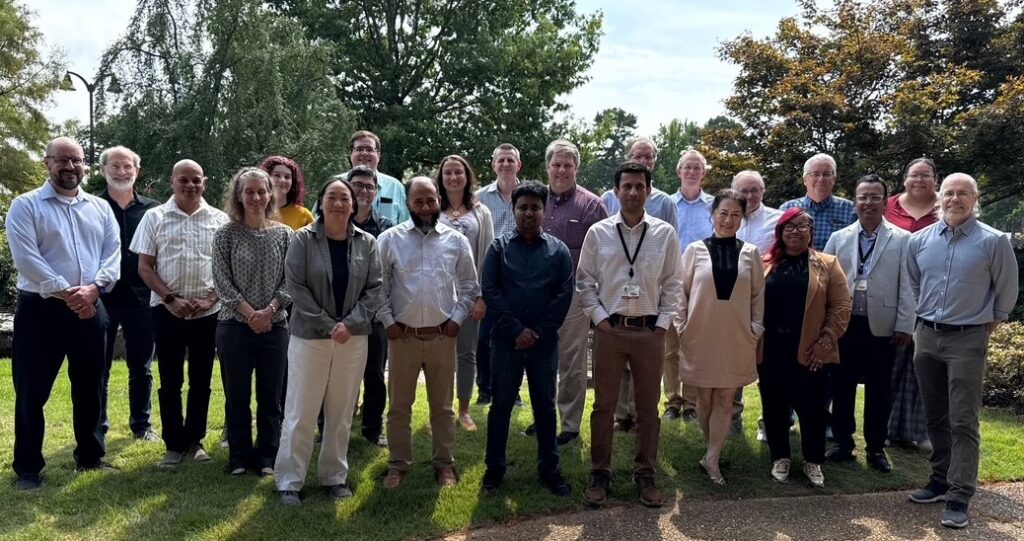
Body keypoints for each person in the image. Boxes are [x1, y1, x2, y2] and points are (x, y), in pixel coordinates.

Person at [6, 137, 121, 490]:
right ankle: (28, 468)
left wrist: (94, 289)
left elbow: (112, 253)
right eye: (62, 160)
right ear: (47, 162)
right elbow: (26, 259)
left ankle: (90, 457)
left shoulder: (100, 208)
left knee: (90, 386)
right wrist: (67, 291)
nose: (70, 167)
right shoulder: (25, 206)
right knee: (32, 390)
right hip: (41, 309)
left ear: (84, 164)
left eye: (77, 160)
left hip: (91, 304)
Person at [905, 173, 1018, 529]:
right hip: (926, 335)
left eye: (962, 193)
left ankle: (959, 494)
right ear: (939, 199)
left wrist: (987, 324)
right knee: (935, 414)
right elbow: (912, 282)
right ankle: (939, 480)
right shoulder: (919, 240)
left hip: (968, 338)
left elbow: (1006, 292)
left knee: (963, 419)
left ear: (975, 198)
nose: (955, 199)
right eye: (949, 193)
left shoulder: (994, 241)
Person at [577, 161, 683, 508]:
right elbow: (585, 282)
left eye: (640, 186)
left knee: (648, 409)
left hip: (649, 332)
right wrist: (600, 319)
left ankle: (646, 474)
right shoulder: (599, 232)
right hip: (610, 331)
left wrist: (662, 324)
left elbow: (673, 283)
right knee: (604, 406)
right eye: (627, 186)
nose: (634, 192)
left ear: (648, 190)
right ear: (616, 191)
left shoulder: (664, 233)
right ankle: (600, 473)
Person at [275, 176, 384, 506]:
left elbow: (376, 288)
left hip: (352, 339)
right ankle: (290, 481)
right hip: (310, 337)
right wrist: (327, 324)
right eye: (332, 197)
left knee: (341, 413)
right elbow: (296, 287)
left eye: (345, 198)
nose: (339, 203)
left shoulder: (367, 243)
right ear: (320, 202)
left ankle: (334, 477)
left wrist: (349, 324)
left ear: (353, 205)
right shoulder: (302, 240)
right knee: (301, 412)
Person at [377, 176, 478, 489]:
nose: (425, 207)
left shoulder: (455, 240)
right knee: (398, 408)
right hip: (402, 337)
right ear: (408, 203)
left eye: (430, 200)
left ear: (439, 200)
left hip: (441, 337)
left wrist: (457, 319)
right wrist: (388, 322)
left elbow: (469, 285)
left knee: (443, 408)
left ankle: (444, 465)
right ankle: (397, 465)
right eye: (418, 201)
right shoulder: (390, 240)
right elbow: (378, 286)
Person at [132, 159, 230, 467]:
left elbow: (226, 269)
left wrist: (211, 298)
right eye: (183, 180)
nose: (190, 186)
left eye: (196, 180)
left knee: (201, 379)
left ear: (205, 183)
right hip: (167, 311)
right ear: (173, 182)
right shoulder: (155, 217)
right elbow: (145, 268)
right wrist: (171, 298)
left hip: (208, 312)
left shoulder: (220, 220)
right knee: (170, 379)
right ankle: (173, 444)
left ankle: (195, 440)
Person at [480, 181, 574, 496]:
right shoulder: (498, 248)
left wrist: (539, 332)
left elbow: (564, 294)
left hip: (544, 343)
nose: (529, 213)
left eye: (535, 207)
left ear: (544, 211)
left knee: (545, 407)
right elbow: (491, 291)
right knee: (501, 405)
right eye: (523, 207)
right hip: (507, 340)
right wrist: (517, 330)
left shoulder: (558, 251)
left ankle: (550, 468)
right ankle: (494, 470)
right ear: (514, 210)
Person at [822, 175, 914, 473]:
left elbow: (909, 286)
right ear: (854, 202)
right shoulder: (840, 237)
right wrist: (827, 324)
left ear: (885, 201)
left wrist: (904, 324)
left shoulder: (902, 240)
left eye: (875, 197)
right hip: (845, 325)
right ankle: (843, 443)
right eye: (863, 197)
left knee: (880, 389)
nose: (868, 203)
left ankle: (876, 448)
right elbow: (827, 284)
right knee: (842, 386)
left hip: (883, 327)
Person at [677, 189, 765, 485]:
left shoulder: (751, 253)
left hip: (736, 335)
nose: (728, 220)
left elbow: (757, 298)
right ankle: (711, 448)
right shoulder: (693, 250)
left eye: (735, 214)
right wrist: (682, 327)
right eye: (723, 213)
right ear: (712, 215)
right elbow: (681, 293)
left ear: (743, 218)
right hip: (700, 334)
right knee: (704, 396)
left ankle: (712, 457)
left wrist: (756, 329)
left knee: (726, 397)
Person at [758, 208, 850, 488]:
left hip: (811, 350)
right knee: (774, 407)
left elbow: (841, 307)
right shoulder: (765, 263)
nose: (795, 231)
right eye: (789, 227)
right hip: (773, 349)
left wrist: (825, 342)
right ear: (780, 232)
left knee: (813, 409)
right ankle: (780, 457)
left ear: (811, 231)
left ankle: (813, 461)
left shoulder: (828, 264)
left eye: (802, 226)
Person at [212, 167, 293, 477]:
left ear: (270, 195)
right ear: (239, 196)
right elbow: (222, 282)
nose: (257, 197)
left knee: (271, 397)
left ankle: (268, 457)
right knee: (237, 396)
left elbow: (291, 281)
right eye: (250, 192)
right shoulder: (225, 234)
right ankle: (239, 457)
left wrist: (269, 311)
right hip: (234, 327)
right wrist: (250, 314)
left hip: (275, 327)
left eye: (262, 191)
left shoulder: (285, 235)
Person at [600, 137, 678, 433]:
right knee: (618, 361)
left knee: (645, 363)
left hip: (649, 287)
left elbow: (674, 247)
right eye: (637, 155)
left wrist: (665, 315)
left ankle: (638, 414)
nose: (643, 160)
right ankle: (621, 415)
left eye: (648, 156)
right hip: (616, 285)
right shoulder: (609, 198)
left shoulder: (664, 202)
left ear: (654, 163)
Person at [539, 139, 608, 446]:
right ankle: (544, 417)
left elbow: (604, 255)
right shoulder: (536, 200)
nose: (562, 170)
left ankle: (569, 424)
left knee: (570, 361)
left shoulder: (592, 205)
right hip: (536, 294)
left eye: (568, 165)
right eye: (556, 164)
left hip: (574, 295)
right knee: (541, 359)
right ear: (547, 166)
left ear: (576, 168)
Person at [96, 145, 160, 443]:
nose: (122, 172)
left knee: (142, 366)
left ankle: (142, 425)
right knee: (99, 366)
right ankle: (99, 425)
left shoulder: (153, 210)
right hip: (101, 299)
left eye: (127, 167)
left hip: (143, 299)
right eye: (115, 167)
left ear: (137, 171)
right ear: (103, 170)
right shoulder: (91, 207)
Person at [885, 157, 940, 452]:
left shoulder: (946, 206)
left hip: (933, 295)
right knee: (892, 366)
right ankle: (884, 427)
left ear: (936, 179)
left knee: (924, 367)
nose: (919, 180)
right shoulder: (888, 205)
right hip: (894, 295)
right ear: (905, 178)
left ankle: (920, 431)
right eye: (914, 175)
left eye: (926, 175)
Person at [437, 154, 494, 431]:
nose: (453, 177)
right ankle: (442, 410)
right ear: (441, 177)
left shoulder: (480, 211)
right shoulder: (433, 209)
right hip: (438, 294)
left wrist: (481, 295)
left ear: (467, 176)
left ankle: (463, 409)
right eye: (447, 173)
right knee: (440, 354)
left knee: (466, 353)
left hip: (470, 293)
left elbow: (488, 253)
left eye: (458, 172)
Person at [666, 148, 715, 423]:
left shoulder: (713, 206)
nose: (693, 171)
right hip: (671, 280)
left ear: (704, 173)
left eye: (698, 167)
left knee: (694, 346)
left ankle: (692, 402)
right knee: (670, 347)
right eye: (688, 167)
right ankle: (672, 400)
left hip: (701, 285)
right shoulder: (666, 204)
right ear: (679, 172)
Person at [349, 165, 395, 447]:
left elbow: (387, 273)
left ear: (376, 192)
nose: (363, 191)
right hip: (338, 313)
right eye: (358, 185)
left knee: (375, 374)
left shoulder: (386, 229)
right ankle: (327, 426)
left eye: (369, 187)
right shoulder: (333, 220)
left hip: (375, 313)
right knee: (335, 376)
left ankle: (372, 429)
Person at [475, 143, 524, 405]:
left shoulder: (528, 195)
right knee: (485, 339)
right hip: (490, 277)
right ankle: (485, 389)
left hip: (520, 279)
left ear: (519, 164)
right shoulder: (480, 197)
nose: (505, 164)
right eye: (501, 160)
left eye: (510, 160)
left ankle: (513, 391)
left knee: (514, 337)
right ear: (493, 165)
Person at [779, 153, 856, 250]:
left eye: (827, 174)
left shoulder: (850, 210)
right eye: (815, 174)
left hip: (836, 264)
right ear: (805, 180)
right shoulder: (786, 209)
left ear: (834, 179)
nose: (821, 179)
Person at [348, 130, 410, 224]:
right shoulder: (336, 184)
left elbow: (407, 226)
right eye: (359, 149)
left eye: (369, 149)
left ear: (379, 155)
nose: (364, 153)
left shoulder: (396, 188)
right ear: (351, 154)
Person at [733, 170, 783, 255]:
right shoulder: (724, 222)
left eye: (754, 190)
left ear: (762, 191)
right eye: (744, 191)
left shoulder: (779, 219)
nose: (749, 196)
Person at [260, 155, 314, 231]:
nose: (282, 180)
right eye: (277, 175)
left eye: (287, 177)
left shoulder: (304, 215)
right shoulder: (256, 211)